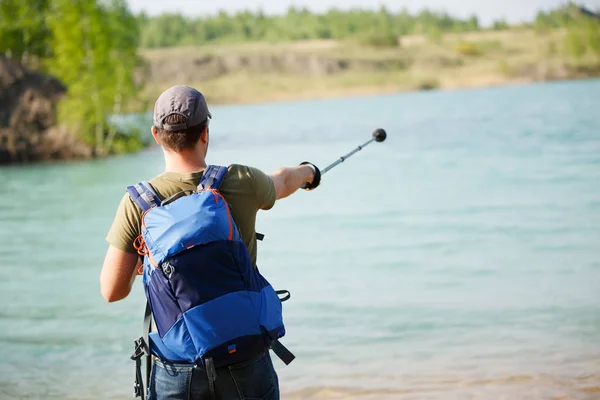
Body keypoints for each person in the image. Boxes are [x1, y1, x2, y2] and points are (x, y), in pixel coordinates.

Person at [100, 85, 320, 400]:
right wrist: (310, 172)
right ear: (205, 132)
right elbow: (284, 180)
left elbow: (112, 291)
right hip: (245, 356)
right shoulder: (241, 180)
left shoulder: (138, 204)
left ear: (156, 135)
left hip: (179, 367)